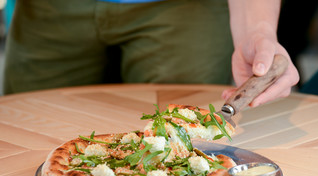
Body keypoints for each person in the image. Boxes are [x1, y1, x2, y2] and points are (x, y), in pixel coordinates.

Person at [3, 0, 299, 108]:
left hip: (186, 7)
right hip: (49, 7)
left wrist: (257, 29)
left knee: (184, 141)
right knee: (26, 127)